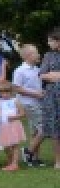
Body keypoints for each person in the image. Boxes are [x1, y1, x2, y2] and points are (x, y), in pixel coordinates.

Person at [10, 43, 45, 167]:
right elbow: (16, 88)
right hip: (28, 103)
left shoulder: (38, 69)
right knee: (45, 128)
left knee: (36, 131)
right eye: (35, 53)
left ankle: (34, 158)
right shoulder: (20, 71)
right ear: (27, 56)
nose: (38, 54)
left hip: (38, 102)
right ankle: (28, 152)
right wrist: (36, 94)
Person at [37, 29, 60, 169]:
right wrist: (52, 75)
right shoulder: (48, 56)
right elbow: (41, 75)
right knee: (56, 130)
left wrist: (55, 74)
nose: (48, 43)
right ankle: (58, 160)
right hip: (53, 97)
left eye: (51, 40)